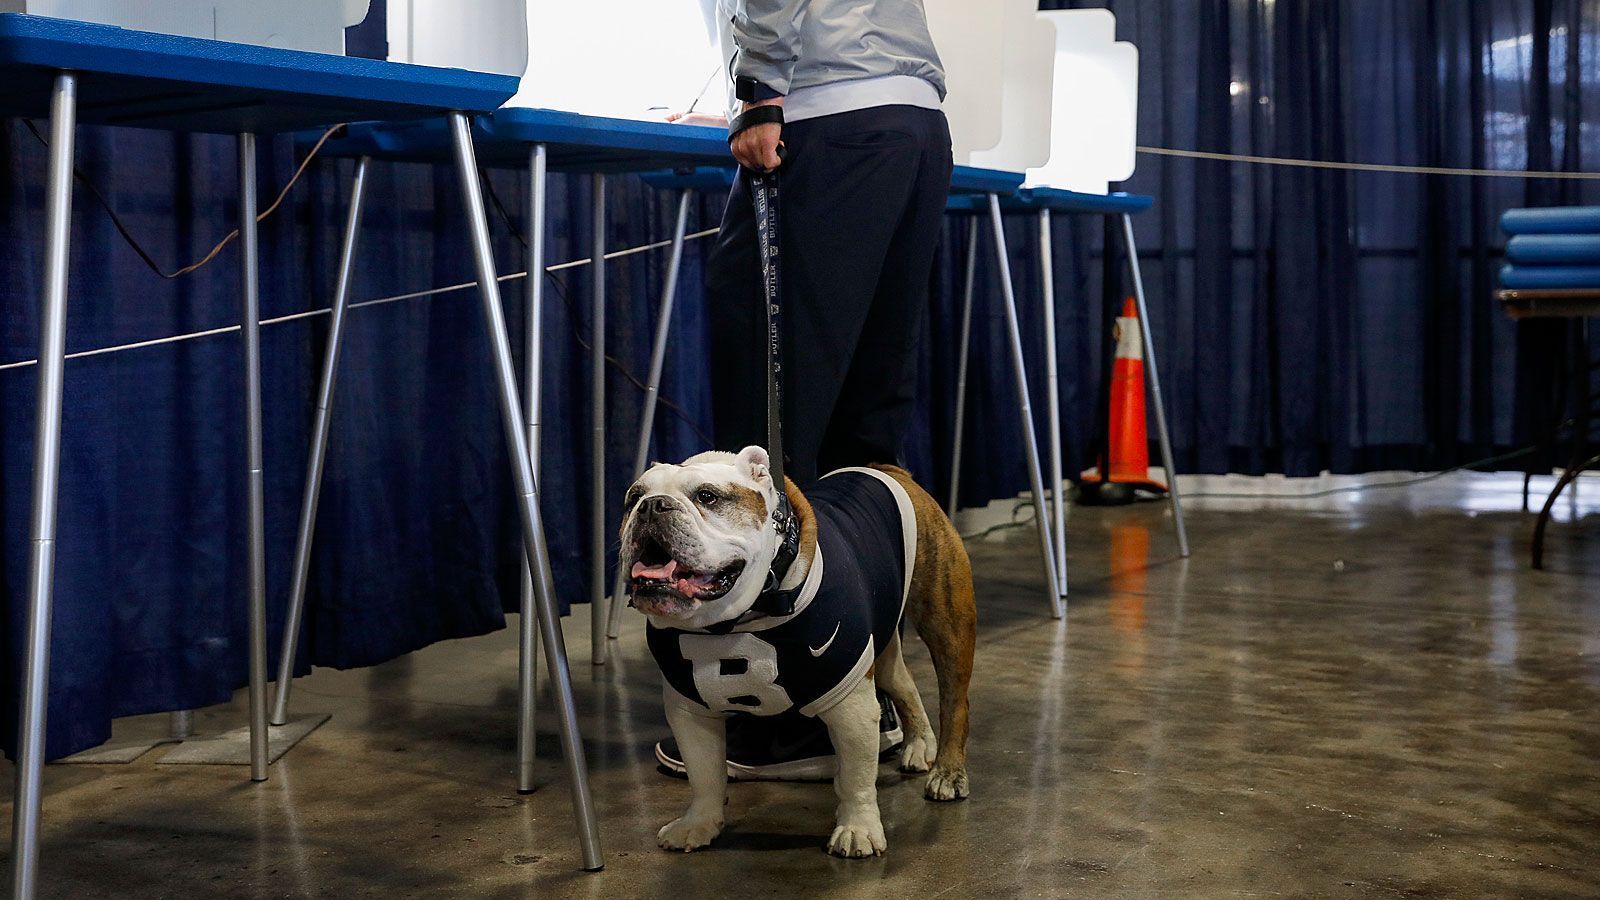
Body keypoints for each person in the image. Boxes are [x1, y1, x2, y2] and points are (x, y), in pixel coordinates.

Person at [657, 0, 953, 780]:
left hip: (826, 116)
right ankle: (864, 696)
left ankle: (781, 722)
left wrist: (757, 89)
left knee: (774, 425)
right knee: (865, 425)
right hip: (912, 123)